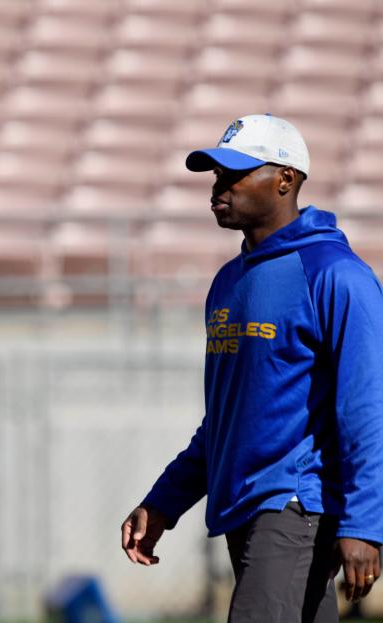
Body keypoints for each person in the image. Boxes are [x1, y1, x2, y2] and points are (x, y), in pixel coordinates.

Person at [121, 114, 383, 621]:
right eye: (216, 176)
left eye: (234, 174)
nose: (218, 188)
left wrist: (364, 523)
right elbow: (226, 419)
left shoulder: (337, 276)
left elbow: (366, 409)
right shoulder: (227, 282)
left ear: (286, 179)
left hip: (295, 508)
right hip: (245, 512)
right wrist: (164, 502)